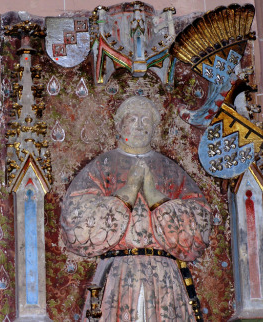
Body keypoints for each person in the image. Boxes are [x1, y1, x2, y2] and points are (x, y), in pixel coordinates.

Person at [60, 96, 211, 321]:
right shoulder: (102, 166)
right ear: (119, 125)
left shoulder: (170, 170)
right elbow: (75, 224)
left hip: (164, 276)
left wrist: (154, 195)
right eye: (133, 118)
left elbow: (200, 226)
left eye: (146, 120)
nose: (140, 125)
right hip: (118, 273)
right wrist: (128, 191)